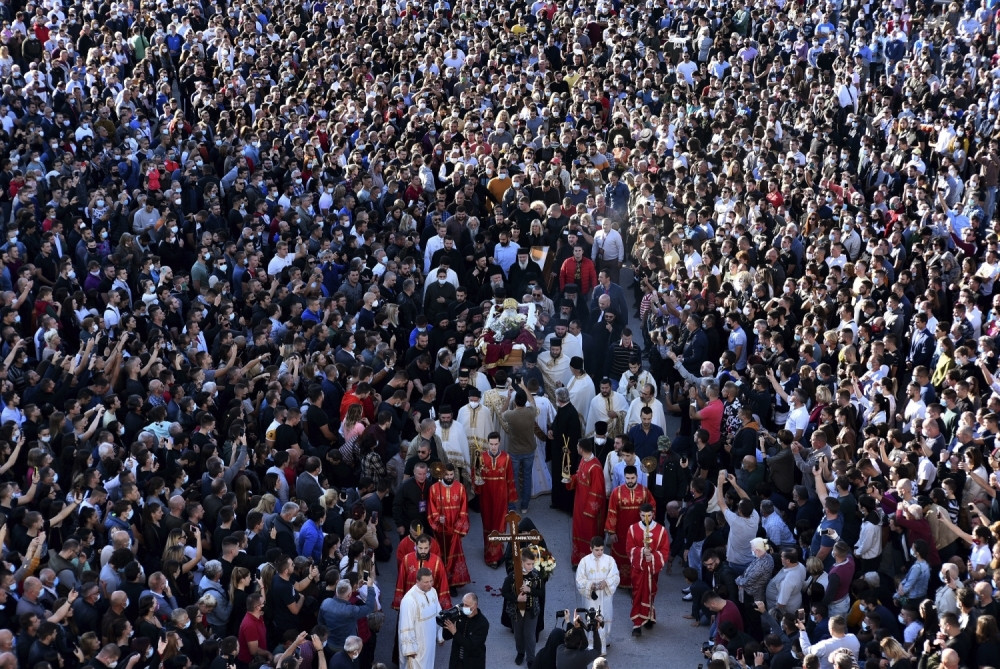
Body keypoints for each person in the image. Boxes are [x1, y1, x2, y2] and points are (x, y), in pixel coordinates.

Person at [604, 465, 654, 589]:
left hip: (639, 533)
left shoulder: (644, 492)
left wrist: (648, 526)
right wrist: (611, 532)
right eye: (627, 478)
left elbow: (652, 508)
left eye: (632, 478)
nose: (630, 481)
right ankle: (621, 581)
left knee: (637, 556)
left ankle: (636, 582)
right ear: (624, 477)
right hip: (621, 532)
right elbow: (612, 512)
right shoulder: (617, 492)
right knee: (622, 555)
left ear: (637, 477)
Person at [474, 431, 517, 567]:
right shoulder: (481, 457)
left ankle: (496, 555)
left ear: (499, 443)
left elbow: (510, 478)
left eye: (496, 444)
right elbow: (476, 475)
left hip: (501, 496)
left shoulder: (506, 457)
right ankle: (489, 552)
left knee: (499, 524)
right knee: (487, 523)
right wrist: (477, 487)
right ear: (488, 443)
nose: (493, 447)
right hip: (486, 496)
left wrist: (511, 497)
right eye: (491, 444)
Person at [627, 503, 670, 636]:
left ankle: (649, 616)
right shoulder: (633, 529)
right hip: (638, 569)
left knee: (650, 592)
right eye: (643, 515)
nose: (646, 518)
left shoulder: (661, 530)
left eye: (649, 515)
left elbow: (665, 550)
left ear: (653, 514)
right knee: (637, 593)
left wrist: (652, 556)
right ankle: (637, 624)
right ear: (639, 514)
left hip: (652, 569)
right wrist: (641, 552)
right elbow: (629, 549)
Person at [428, 463, 471, 593]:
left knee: (453, 556)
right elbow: (431, 507)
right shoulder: (434, 489)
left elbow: (463, 510)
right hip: (440, 530)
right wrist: (437, 518)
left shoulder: (461, 488)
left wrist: (458, 528)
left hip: (455, 531)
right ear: (442, 474)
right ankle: (441, 582)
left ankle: (452, 583)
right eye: (446, 474)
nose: (449, 477)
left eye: (451, 474)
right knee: (441, 555)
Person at [574, 538, 620, 653]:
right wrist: (591, 585)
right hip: (591, 598)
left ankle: (604, 643)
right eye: (596, 550)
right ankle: (591, 644)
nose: (599, 552)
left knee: (605, 616)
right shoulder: (584, 562)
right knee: (591, 618)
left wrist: (606, 582)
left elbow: (615, 576)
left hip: (605, 596)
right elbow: (579, 580)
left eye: (601, 550)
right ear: (591, 548)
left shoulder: (610, 560)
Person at [567, 438, 607, 567]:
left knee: (589, 533)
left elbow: (598, 490)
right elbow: (579, 477)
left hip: (589, 509)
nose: (576, 448)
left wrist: (591, 510)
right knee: (578, 530)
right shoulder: (584, 461)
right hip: (579, 503)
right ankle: (578, 559)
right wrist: (569, 479)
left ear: (581, 449)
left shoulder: (595, 467)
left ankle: (590, 564)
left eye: (577, 446)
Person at [501, 548, 543, 666]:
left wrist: (530, 590)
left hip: (531, 610)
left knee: (530, 635)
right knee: (518, 634)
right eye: (528, 564)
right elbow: (504, 592)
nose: (531, 566)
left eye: (532, 564)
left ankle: (530, 658)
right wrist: (516, 599)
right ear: (521, 563)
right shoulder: (513, 576)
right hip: (516, 610)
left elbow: (541, 593)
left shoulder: (536, 575)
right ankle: (520, 653)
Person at [398, 568, 444, 669]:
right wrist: (410, 650)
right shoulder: (409, 600)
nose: (430, 584)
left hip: (430, 644)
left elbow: (439, 615)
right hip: (417, 649)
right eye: (426, 582)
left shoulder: (433, 592)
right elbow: (406, 625)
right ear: (417, 581)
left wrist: (440, 635)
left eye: (431, 581)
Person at [392, 535, 451, 611]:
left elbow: (443, 584)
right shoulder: (407, 559)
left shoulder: (437, 561)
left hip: (429, 603)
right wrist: (399, 603)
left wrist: (444, 606)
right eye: (420, 548)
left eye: (426, 548)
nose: (423, 551)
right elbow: (401, 581)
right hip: (411, 602)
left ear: (430, 547)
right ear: (416, 546)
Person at [441, 592, 489, 669]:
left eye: (467, 605)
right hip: (456, 662)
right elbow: (446, 637)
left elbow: (471, 646)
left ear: (475, 605)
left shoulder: (482, 623)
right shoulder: (460, 615)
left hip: (472, 664)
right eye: (463, 604)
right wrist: (447, 623)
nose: (464, 607)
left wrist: (455, 632)